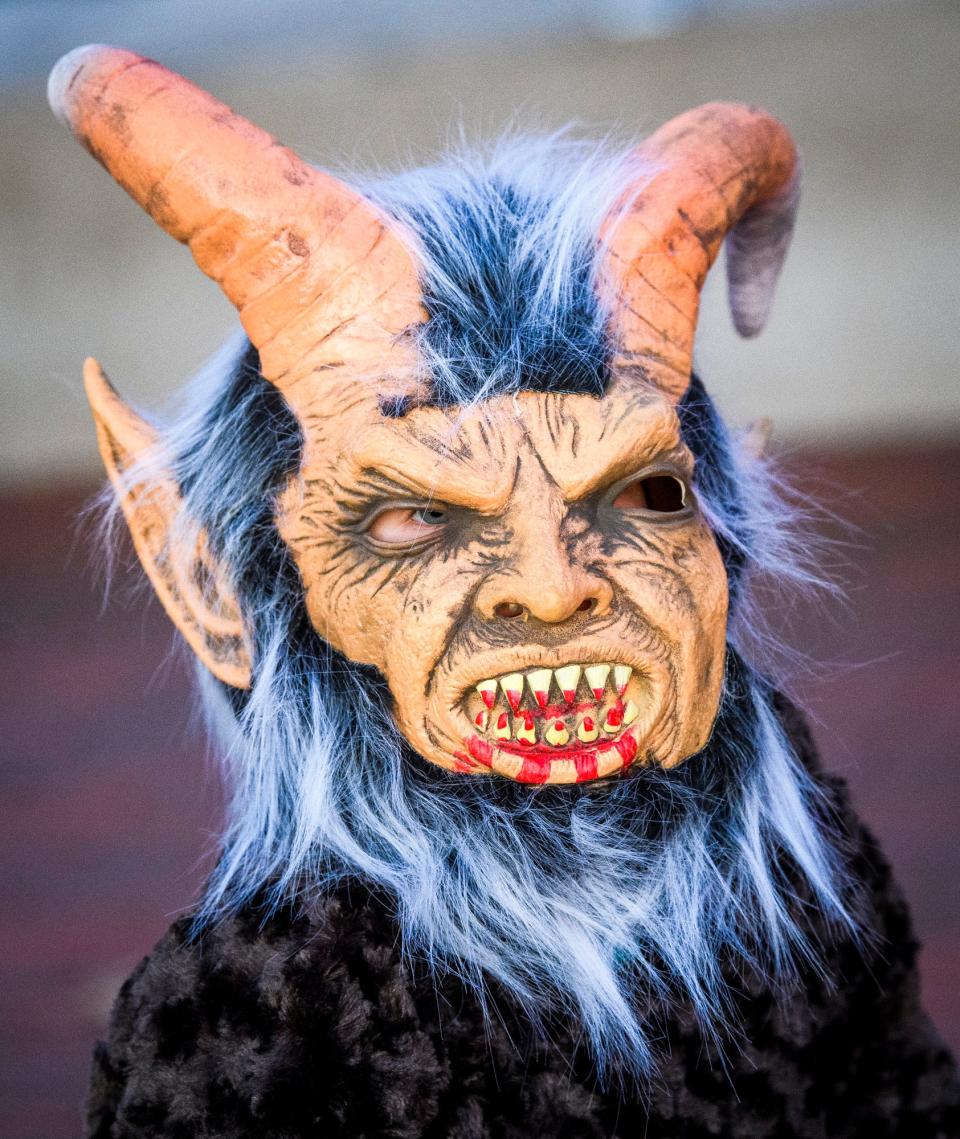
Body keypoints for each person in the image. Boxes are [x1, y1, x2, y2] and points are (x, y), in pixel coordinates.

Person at [49, 44, 959, 1138]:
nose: (552, 582)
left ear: (727, 536)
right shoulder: (271, 1031)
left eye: (645, 490)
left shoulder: (810, 901)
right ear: (209, 580)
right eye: (415, 517)